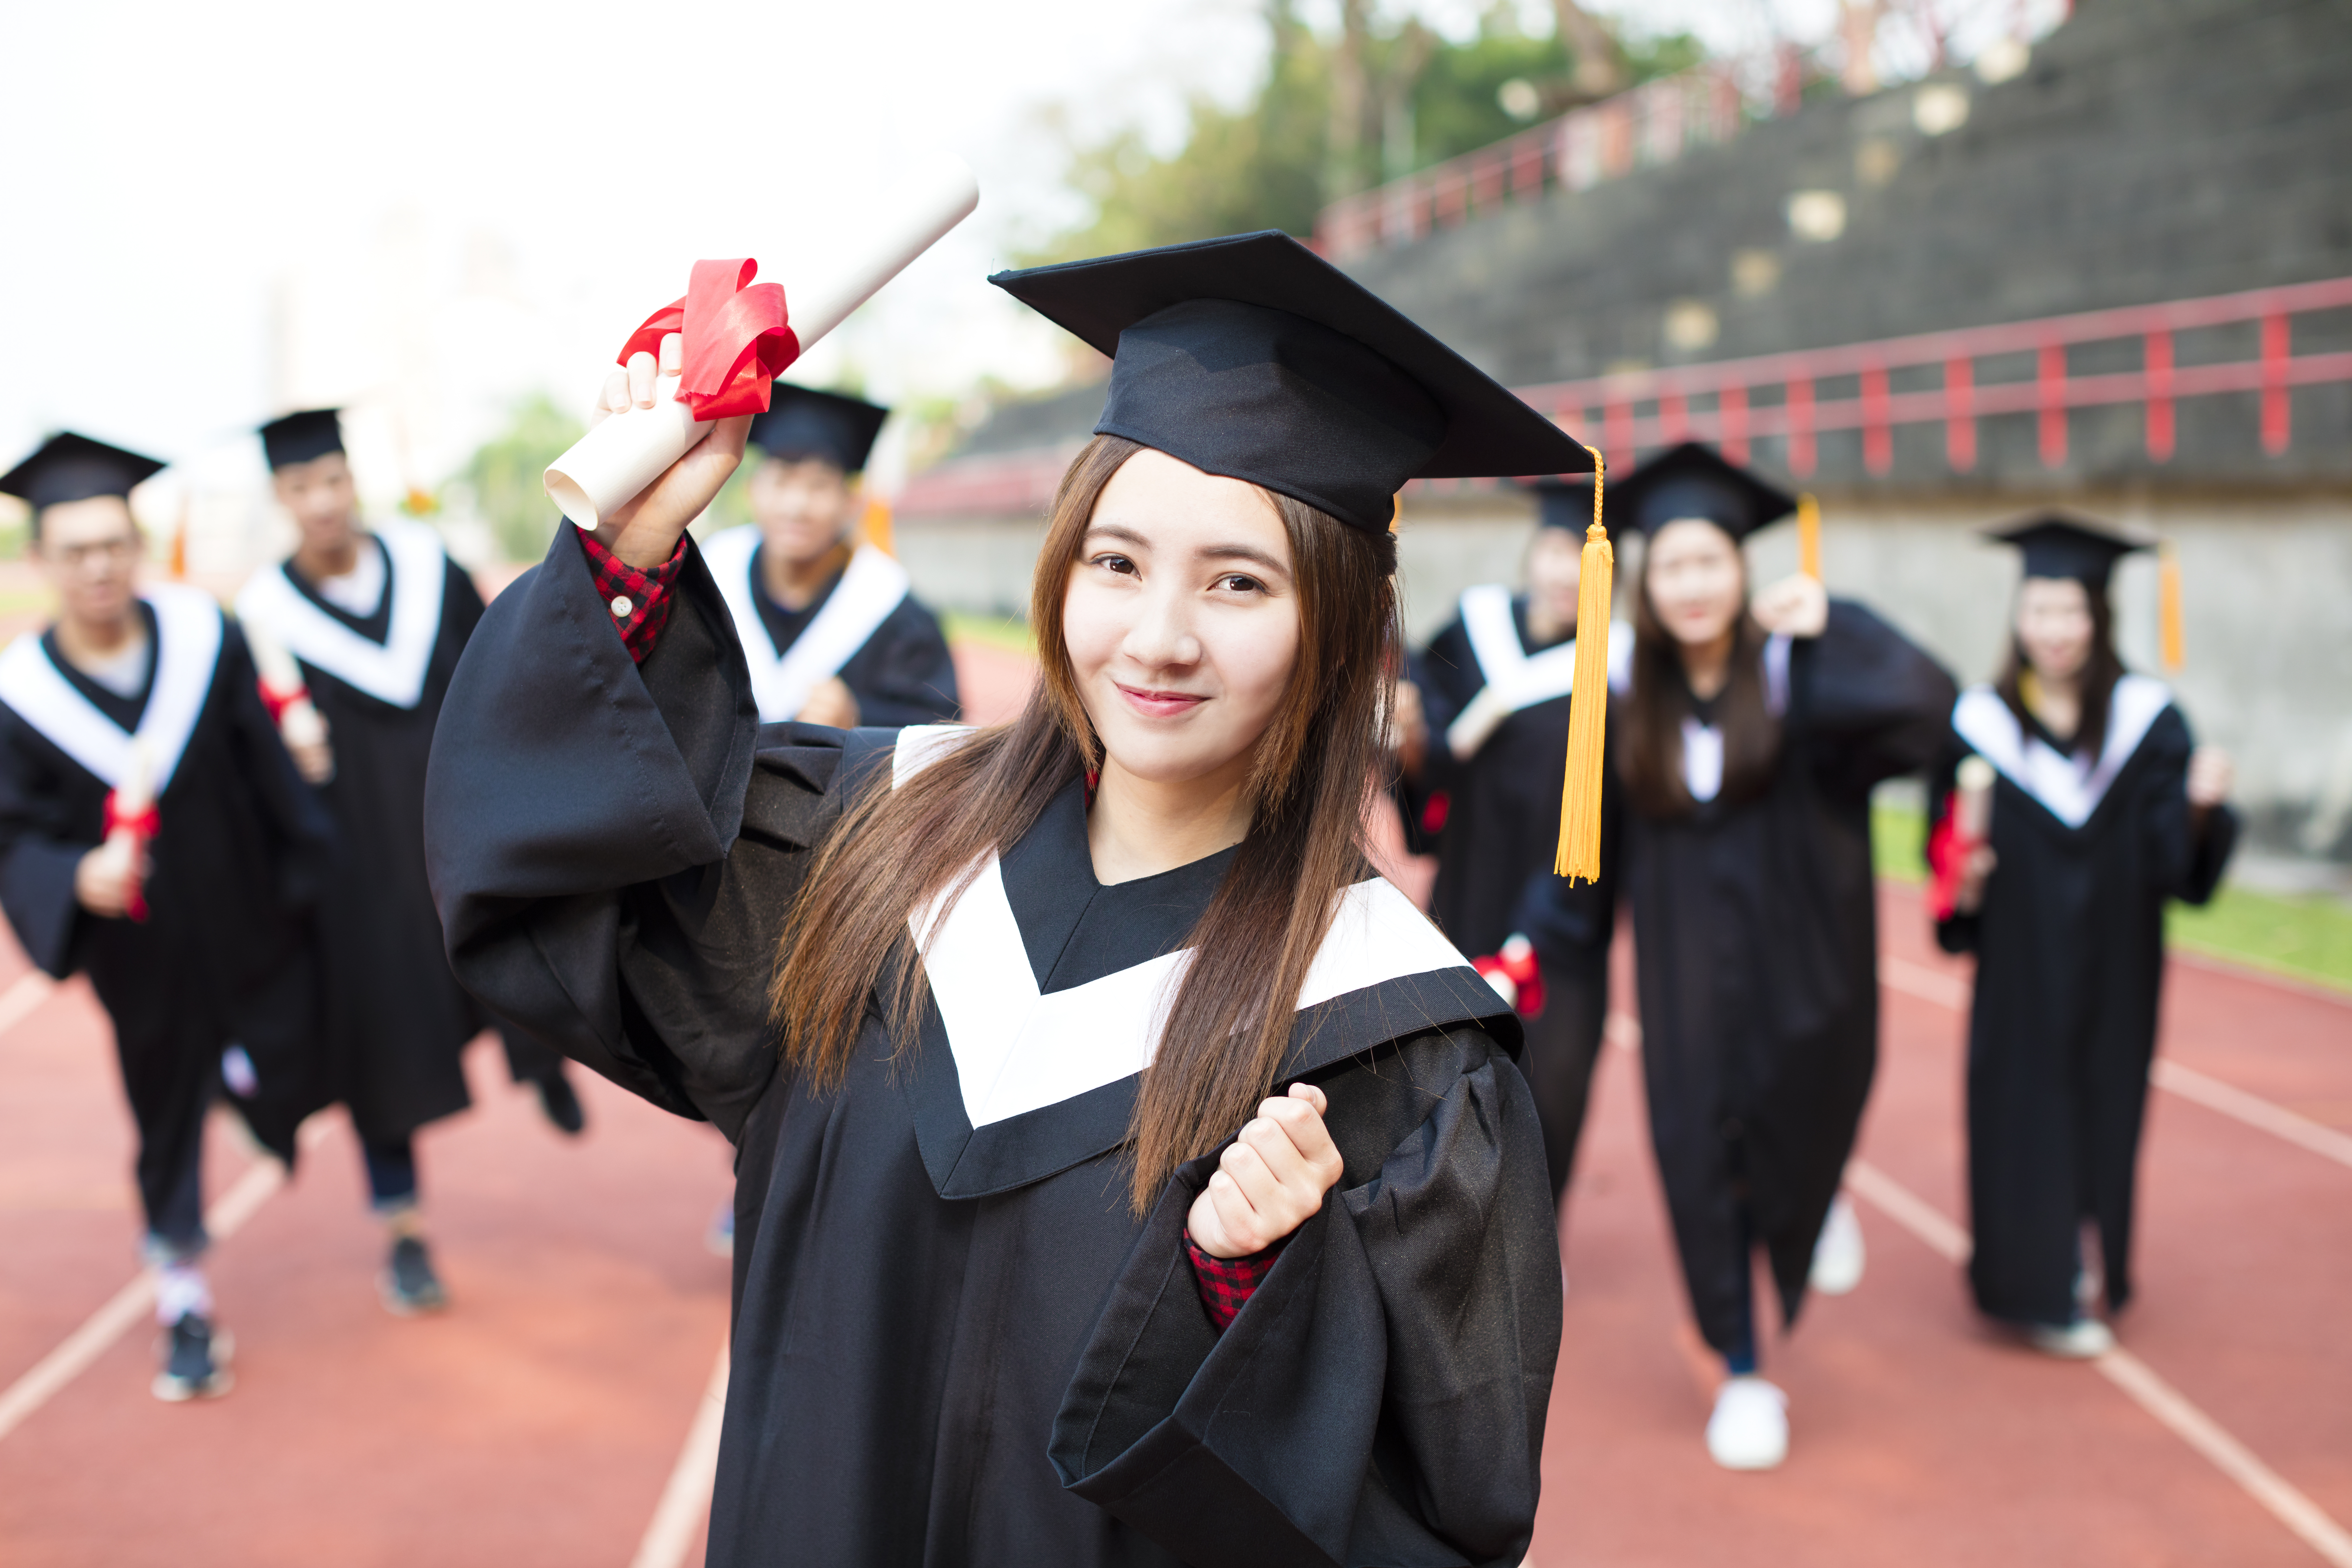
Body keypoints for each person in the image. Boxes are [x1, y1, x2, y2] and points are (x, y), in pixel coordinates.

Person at [427, 230, 1577, 1566]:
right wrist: (629, 563)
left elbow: (1440, 1506)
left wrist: (1253, 1296)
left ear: (1338, 623)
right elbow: (577, 890)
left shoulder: (1392, 1051)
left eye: (1240, 582)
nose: (1158, 636)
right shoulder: (863, 843)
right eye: (1117, 561)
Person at [1586, 442, 1955, 1470]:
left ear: (1741, 572)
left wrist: (1839, 620)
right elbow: (1585, 860)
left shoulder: (1806, 679)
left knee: (1804, 1115)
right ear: (1645, 584)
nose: (1691, 585)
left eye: (1709, 562)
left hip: (1809, 972)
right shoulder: (1624, 703)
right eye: (1671, 567)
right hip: (1685, 982)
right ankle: (1740, 1365)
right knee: (1697, 1157)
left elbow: (1933, 710)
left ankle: (1821, 1182)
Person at [0, 433, 330, 1400]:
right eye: (73, 550)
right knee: (163, 1107)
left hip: (247, 919)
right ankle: (182, 1293)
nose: (97, 565)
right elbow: (13, 834)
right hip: (138, 949)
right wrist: (72, 877)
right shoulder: (22, 698)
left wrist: (315, 856)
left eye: (112, 543)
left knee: (290, 1058)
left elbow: (266, 771)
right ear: (40, 563)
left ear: (136, 544)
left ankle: (253, 1091)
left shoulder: (204, 638)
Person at [234, 407, 584, 1316]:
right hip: (356, 869)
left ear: (353, 481)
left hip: (457, 828)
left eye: (331, 481)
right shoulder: (262, 617)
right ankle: (403, 1232)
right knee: (374, 1044)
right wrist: (291, 751)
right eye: (299, 488)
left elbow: (503, 670)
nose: (320, 502)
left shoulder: (430, 568)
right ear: (280, 498)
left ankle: (548, 1063)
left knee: (525, 955)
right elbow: (248, 755)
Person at [1932, 514, 2235, 1357]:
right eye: (2039, 610)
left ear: (2099, 618)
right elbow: (1947, 865)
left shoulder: (2148, 722)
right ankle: (2022, 1280)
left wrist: (2204, 808)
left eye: (2071, 612)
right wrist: (1963, 881)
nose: (2054, 630)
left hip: (2118, 963)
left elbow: (2174, 867)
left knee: (2105, 1107)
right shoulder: (1976, 724)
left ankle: (2092, 1265)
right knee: (2017, 1112)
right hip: (2019, 969)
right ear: (2017, 617)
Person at [1394, 478, 1628, 1206]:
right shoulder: (1474, 626)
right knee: (1433, 1091)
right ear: (1534, 551)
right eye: (1556, 549)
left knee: (1545, 1102)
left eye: (1584, 560)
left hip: (1562, 931)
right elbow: (1430, 755)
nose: (1565, 571)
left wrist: (1543, 934)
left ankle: (1526, 1255)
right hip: (1466, 898)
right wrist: (1409, 737)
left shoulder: (1622, 670)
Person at [697, 385, 958, 728]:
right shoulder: (709, 576)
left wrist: (858, 719)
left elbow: (939, 734)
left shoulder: (893, 610)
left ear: (851, 504)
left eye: (819, 485)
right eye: (781, 481)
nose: (796, 507)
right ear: (752, 491)